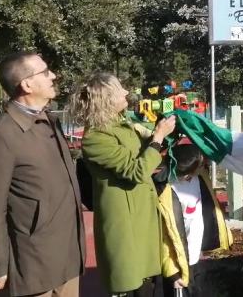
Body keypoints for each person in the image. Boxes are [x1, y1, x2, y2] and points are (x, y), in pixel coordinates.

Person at [0, 52, 85, 297]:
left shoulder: (48, 121)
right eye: (45, 72)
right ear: (26, 84)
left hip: (67, 255)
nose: (53, 76)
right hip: (33, 263)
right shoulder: (2, 134)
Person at [71, 72, 176, 297]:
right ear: (107, 99)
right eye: (120, 89)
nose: (127, 92)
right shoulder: (96, 137)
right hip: (124, 222)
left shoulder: (122, 124)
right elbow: (136, 170)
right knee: (130, 284)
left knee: (148, 283)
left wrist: (166, 130)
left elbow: (149, 151)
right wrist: (157, 138)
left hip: (141, 215)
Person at [156, 143, 232, 297]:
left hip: (195, 255)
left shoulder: (200, 177)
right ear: (187, 173)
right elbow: (163, 237)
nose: (205, 163)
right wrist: (172, 273)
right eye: (202, 163)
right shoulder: (165, 191)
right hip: (177, 263)